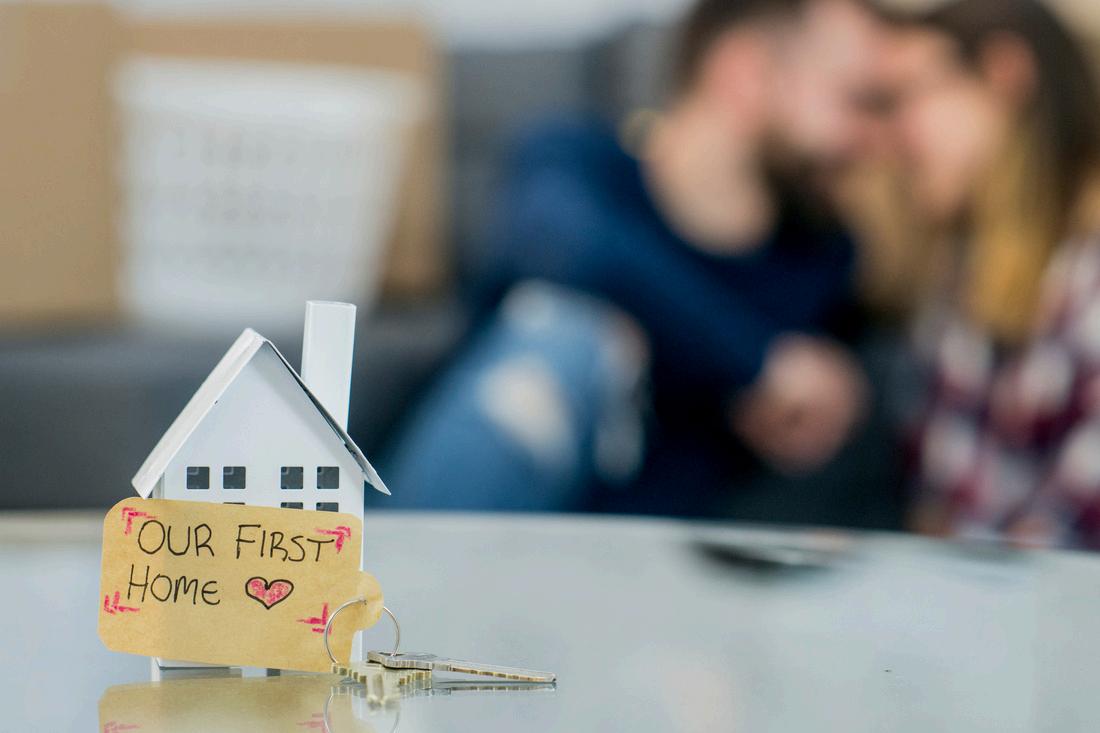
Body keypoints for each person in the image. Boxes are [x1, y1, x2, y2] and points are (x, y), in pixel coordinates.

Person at [380, 0, 894, 519]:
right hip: (485, 513)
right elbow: (566, 244)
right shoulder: (576, 165)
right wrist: (759, 365)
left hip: (657, 548)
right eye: (857, 101)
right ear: (746, 73)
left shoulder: (822, 261)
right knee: (570, 332)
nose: (875, 138)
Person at [882, 0, 1100, 547]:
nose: (894, 133)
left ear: (1005, 74)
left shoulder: (1087, 273)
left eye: (909, 95)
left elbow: (1066, 540)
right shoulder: (962, 273)